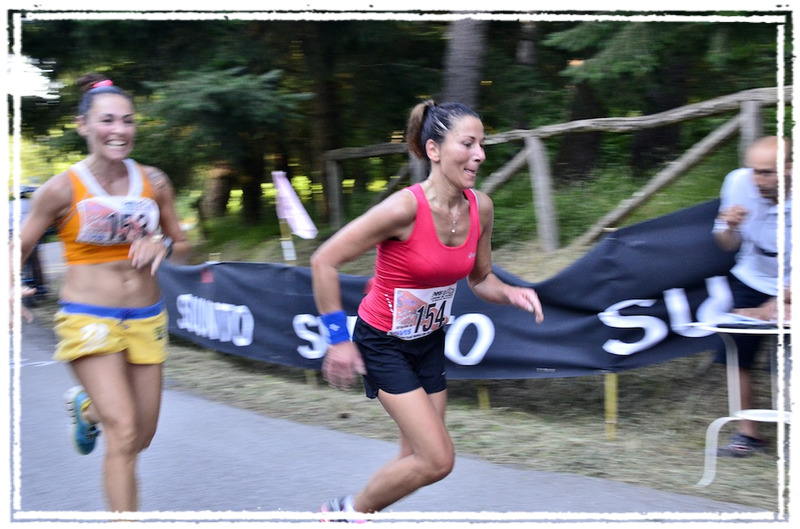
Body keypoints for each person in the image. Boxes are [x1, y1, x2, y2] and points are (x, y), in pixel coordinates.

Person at [310, 100, 544, 521]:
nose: (479, 155)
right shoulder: (404, 208)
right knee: (438, 460)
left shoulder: (480, 208)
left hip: (429, 341)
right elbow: (323, 261)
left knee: (415, 459)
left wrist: (511, 293)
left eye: (482, 145)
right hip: (383, 343)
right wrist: (338, 341)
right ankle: (345, 514)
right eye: (468, 144)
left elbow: (480, 278)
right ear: (434, 150)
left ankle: (355, 515)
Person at [11, 72, 189, 512]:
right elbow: (20, 245)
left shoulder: (154, 181)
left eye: (127, 121)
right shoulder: (61, 188)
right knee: (123, 432)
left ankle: (87, 409)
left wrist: (161, 244)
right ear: (83, 125)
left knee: (141, 436)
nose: (119, 130)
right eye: (107, 120)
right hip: (88, 317)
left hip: (146, 317)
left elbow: (182, 245)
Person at [712, 135, 792, 457]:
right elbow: (725, 244)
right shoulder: (737, 182)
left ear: (790, 167)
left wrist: (775, 305)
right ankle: (748, 435)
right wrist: (729, 227)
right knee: (735, 352)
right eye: (753, 171)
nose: (757, 180)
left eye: (766, 173)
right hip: (753, 274)